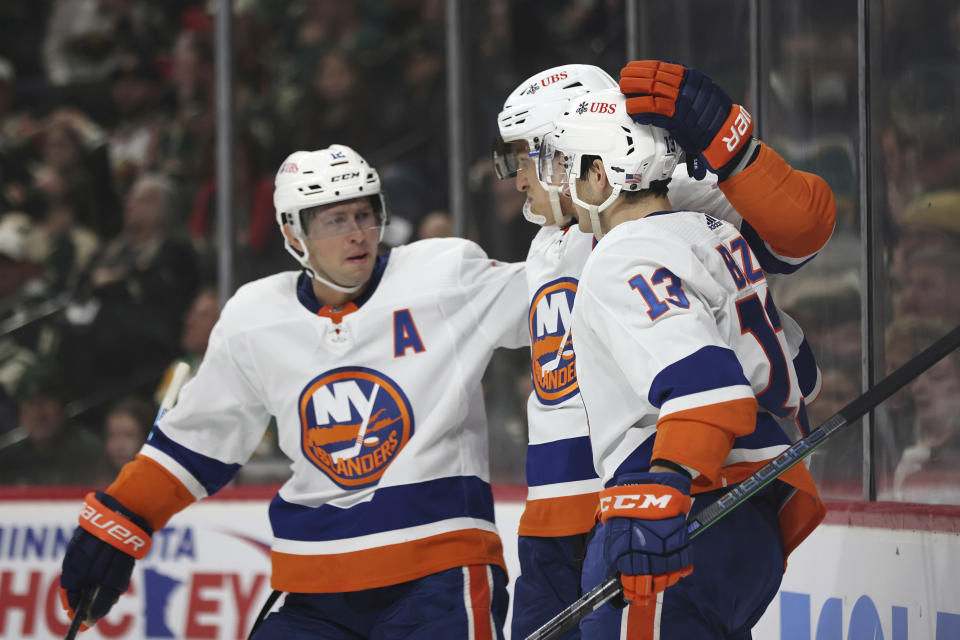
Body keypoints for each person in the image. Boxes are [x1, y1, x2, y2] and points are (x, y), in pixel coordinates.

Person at [58, 144, 527, 639]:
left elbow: (550, 294)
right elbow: (195, 441)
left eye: (365, 214)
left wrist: (612, 215)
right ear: (292, 233)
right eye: (335, 220)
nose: (356, 234)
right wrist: (119, 522)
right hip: (314, 587)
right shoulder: (255, 317)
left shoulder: (444, 276)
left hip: (438, 573)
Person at [494, 62, 836, 638]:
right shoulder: (548, 244)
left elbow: (802, 229)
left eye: (533, 155)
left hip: (659, 492)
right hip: (571, 510)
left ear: (586, 155)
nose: (520, 176)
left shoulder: (670, 208)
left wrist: (734, 147)